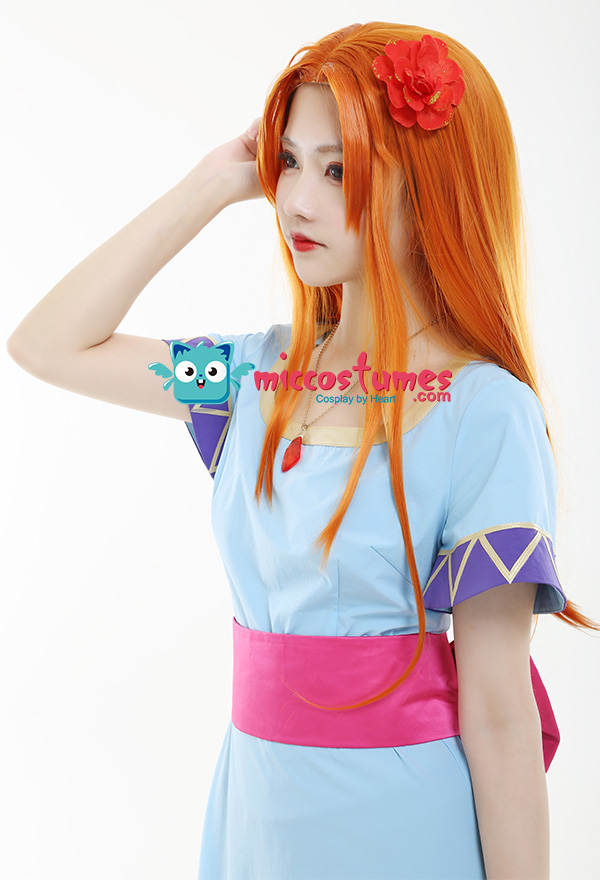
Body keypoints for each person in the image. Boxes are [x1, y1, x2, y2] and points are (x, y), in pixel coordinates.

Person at [7, 20, 599, 880]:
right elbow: (48, 344)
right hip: (255, 820)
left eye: (340, 170)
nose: (296, 201)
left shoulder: (483, 411)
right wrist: (212, 182)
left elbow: (501, 714)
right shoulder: (248, 377)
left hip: (405, 828)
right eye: (288, 162)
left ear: (431, 188)